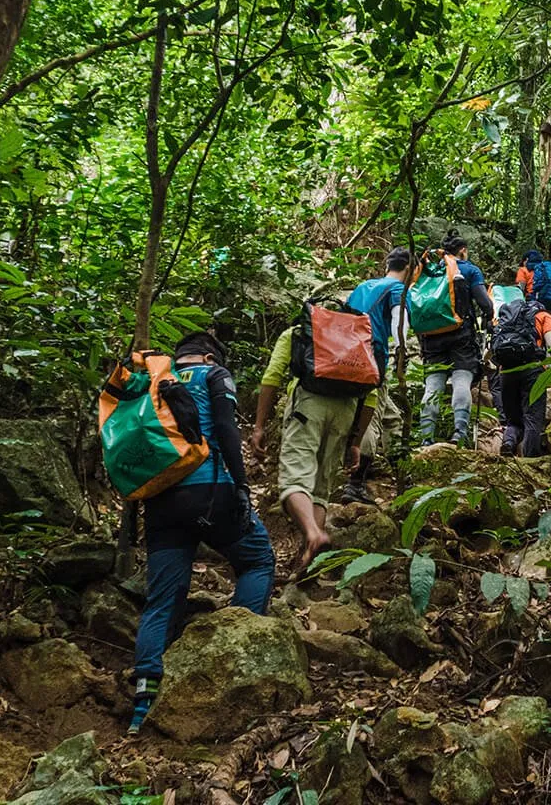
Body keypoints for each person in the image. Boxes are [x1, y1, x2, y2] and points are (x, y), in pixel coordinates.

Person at [130, 332, 275, 735]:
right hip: (210, 492)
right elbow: (226, 431)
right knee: (258, 559)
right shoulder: (213, 374)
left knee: (161, 600)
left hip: (160, 501)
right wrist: (242, 486)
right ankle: (233, 649)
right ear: (210, 355)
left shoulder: (152, 382)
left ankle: (143, 700)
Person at [251, 321, 379, 573]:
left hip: (308, 406)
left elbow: (272, 376)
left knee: (294, 480)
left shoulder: (299, 332)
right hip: (346, 409)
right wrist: (356, 441)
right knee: (321, 487)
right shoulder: (358, 338)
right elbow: (371, 395)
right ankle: (308, 563)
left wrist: (259, 426)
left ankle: (313, 535)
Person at [341, 249, 413, 504]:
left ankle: (403, 472)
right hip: (373, 358)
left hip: (346, 356)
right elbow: (399, 323)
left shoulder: (363, 286)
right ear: (409, 268)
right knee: (371, 415)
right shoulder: (397, 289)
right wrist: (401, 350)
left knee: (392, 417)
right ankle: (355, 484)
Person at [417, 230, 494, 447]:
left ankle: (426, 438)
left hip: (431, 337)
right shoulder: (469, 270)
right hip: (461, 336)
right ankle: (459, 434)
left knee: (432, 386)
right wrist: (489, 316)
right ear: (463, 251)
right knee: (461, 381)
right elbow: (485, 304)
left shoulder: (431, 270)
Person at [494, 302, 551, 458]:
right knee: (533, 417)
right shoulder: (544, 316)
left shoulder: (507, 320)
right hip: (532, 371)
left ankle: (509, 443)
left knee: (513, 420)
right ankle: (531, 459)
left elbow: (490, 352)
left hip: (507, 371)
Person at [516, 249, 551, 314]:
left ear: (526, 259)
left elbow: (520, 289)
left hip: (534, 302)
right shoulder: (547, 270)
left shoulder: (523, 269)